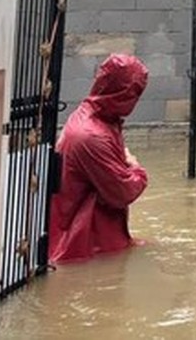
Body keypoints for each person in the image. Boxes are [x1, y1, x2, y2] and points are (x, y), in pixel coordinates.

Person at [48, 54, 150, 264]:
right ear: (125, 93)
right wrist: (136, 168)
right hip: (82, 248)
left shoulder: (96, 118)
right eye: (135, 92)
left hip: (94, 242)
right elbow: (122, 191)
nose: (137, 99)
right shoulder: (92, 135)